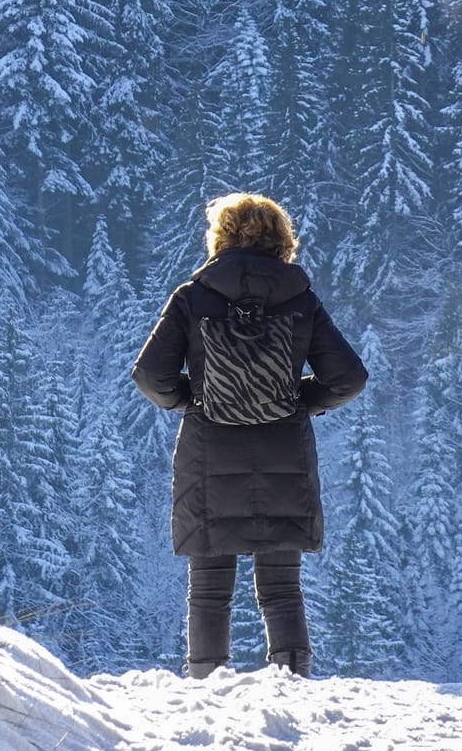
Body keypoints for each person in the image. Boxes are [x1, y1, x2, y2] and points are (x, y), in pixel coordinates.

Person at [133, 192, 367, 678]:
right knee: (282, 587)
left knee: (209, 586)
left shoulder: (192, 297)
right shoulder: (301, 300)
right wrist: (299, 400)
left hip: (207, 452)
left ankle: (205, 682)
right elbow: (348, 378)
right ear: (281, 239)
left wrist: (194, 399)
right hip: (284, 451)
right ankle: (292, 680)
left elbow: (150, 376)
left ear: (221, 236)